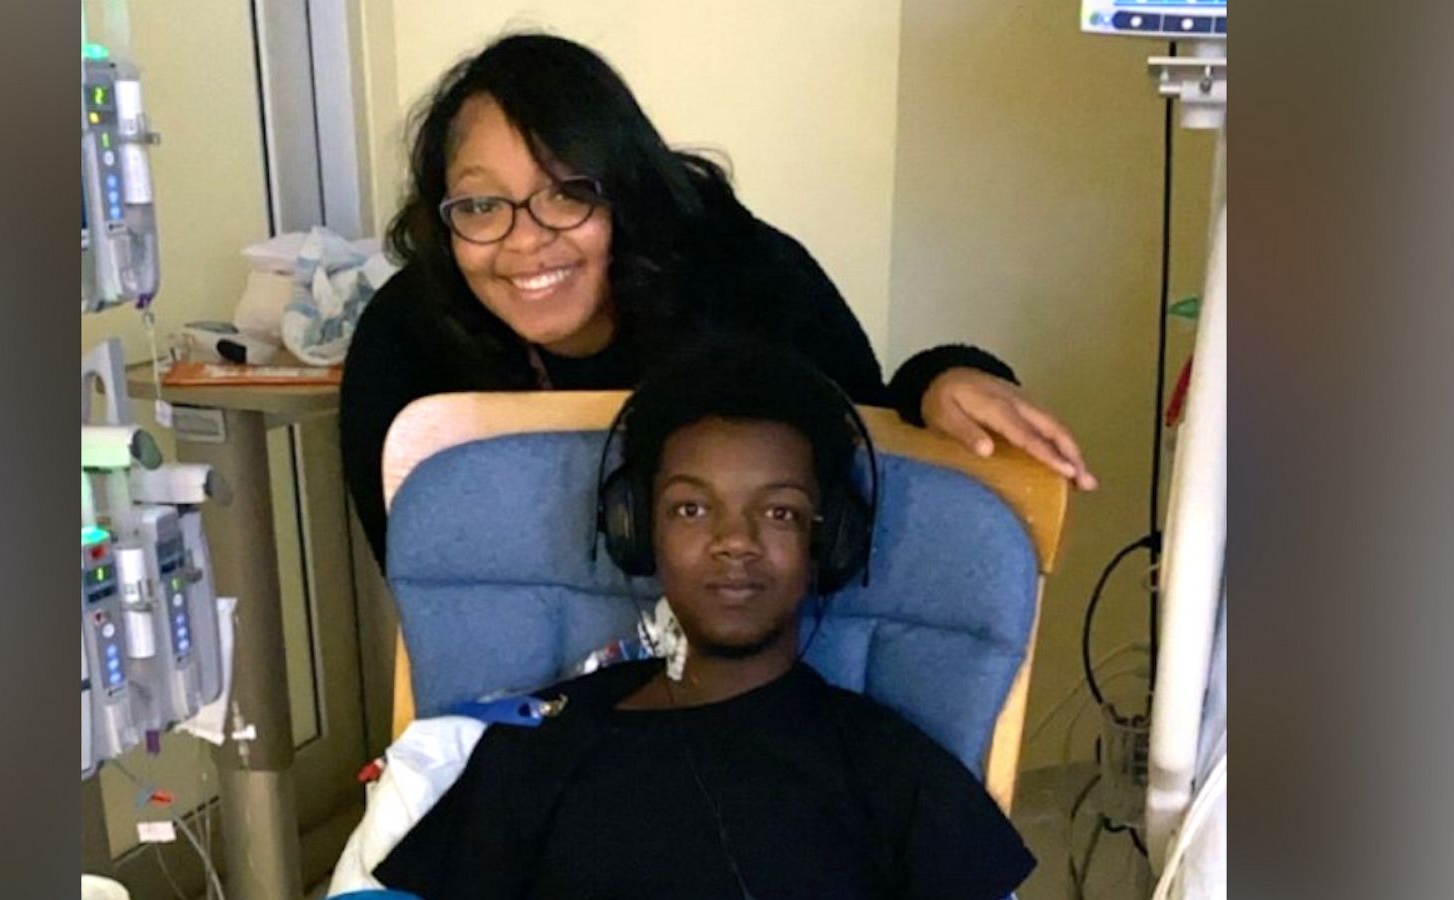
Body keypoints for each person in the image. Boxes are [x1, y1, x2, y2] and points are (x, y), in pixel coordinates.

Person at [341, 32, 1095, 567]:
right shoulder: (404, 341)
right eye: (479, 205)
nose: (523, 240)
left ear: (625, 191)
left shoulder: (742, 275)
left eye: (567, 193)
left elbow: (860, 441)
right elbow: (430, 595)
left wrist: (942, 378)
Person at [371, 341, 1035, 899]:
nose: (735, 541)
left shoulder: (894, 772)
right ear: (638, 532)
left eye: (779, 512)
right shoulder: (538, 745)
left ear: (827, 543)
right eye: (692, 509)